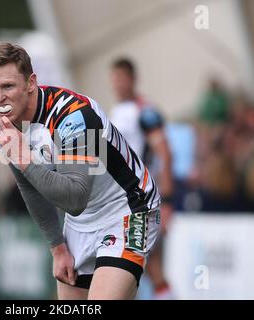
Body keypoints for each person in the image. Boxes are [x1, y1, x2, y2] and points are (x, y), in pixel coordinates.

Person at [0, 43, 161, 300]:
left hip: (127, 209)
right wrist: (57, 247)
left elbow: (74, 199)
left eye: (8, 86)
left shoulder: (75, 116)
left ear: (31, 83)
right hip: (81, 221)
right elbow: (29, 186)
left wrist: (23, 156)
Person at [109, 58, 174, 299]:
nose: (118, 84)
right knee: (135, 270)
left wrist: (167, 200)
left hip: (141, 200)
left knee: (141, 268)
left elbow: (165, 154)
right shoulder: (114, 112)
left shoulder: (145, 112)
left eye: (123, 78)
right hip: (119, 201)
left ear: (133, 79)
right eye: (115, 78)